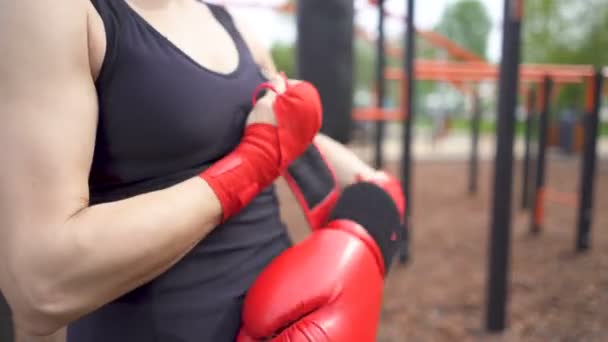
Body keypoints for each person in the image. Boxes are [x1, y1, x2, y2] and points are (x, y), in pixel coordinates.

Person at [0, 0, 402, 341]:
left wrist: (376, 196)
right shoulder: (54, 11)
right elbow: (41, 284)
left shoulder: (231, 23)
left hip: (283, 322)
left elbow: (282, 139)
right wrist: (248, 169)